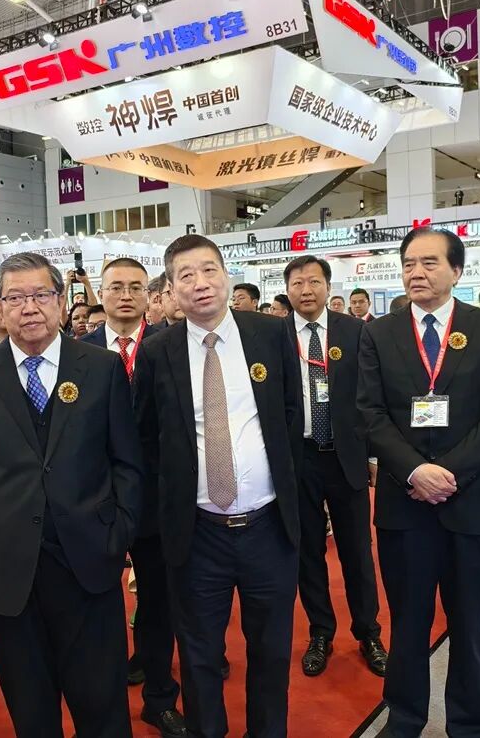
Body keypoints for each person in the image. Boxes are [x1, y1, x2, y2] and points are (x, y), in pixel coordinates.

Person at [0, 252, 143, 738]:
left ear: (60, 300)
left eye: (40, 295)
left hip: (90, 562)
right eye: (15, 297)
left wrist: (118, 533)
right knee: (31, 711)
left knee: (103, 706)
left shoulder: (102, 367)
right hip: (8, 570)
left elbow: (127, 462)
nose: (28, 307)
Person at [133, 234, 303, 738]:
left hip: (268, 526)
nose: (200, 283)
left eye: (209, 270)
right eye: (186, 275)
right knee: (200, 653)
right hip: (197, 532)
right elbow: (146, 437)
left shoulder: (269, 334)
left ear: (226, 275)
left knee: (270, 650)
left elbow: (290, 414)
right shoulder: (157, 351)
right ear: (171, 289)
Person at [358, 226, 480, 737]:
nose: (417, 272)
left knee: (468, 622)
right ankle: (404, 719)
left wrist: (449, 474)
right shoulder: (378, 333)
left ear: (456, 270)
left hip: (472, 500)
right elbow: (370, 413)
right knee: (408, 620)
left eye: (429, 263)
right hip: (405, 501)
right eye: (409, 263)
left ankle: (470, 723)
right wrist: (415, 470)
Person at [82, 257, 185, 736]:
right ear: (100, 294)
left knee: (159, 600)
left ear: (150, 295)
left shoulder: (171, 346)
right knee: (96, 601)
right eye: (116, 287)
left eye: (136, 287)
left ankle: (160, 696)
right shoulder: (77, 350)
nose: (125, 295)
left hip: (158, 496)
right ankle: (100, 701)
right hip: (94, 498)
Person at [285, 255, 386, 678]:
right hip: (298, 458)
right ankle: (321, 632)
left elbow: (373, 396)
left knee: (357, 550)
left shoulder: (356, 332)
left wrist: (374, 455)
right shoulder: (272, 336)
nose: (306, 290)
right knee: (307, 552)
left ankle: (368, 633)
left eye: (313, 282)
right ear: (287, 289)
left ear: (328, 286)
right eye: (297, 283)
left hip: (346, 455)